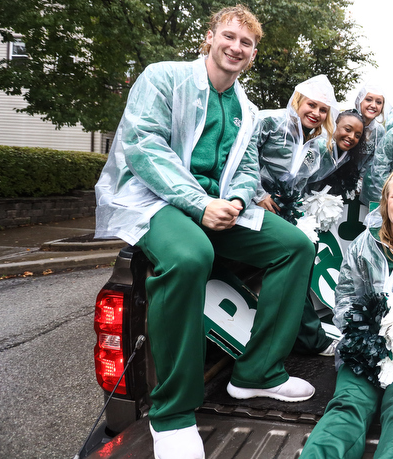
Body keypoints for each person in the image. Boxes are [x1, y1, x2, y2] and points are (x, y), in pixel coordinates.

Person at [94, 6, 316, 458]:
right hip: (156, 199)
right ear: (210, 37)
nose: (236, 47)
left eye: (247, 43)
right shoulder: (163, 77)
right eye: (229, 37)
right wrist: (199, 204)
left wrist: (234, 201)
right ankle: (172, 415)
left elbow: (247, 167)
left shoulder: (247, 109)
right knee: (192, 255)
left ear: (253, 55)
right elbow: (144, 145)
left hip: (218, 207)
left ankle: (256, 373)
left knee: (296, 245)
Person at [299, 161, 393, 459]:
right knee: (348, 404)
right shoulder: (363, 245)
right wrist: (366, 339)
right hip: (366, 347)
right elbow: (345, 298)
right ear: (385, 201)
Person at [252, 74, 339, 220]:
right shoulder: (270, 121)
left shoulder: (316, 146)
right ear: (298, 101)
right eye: (311, 105)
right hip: (250, 200)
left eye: (323, 110)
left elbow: (298, 185)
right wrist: (259, 194)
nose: (316, 113)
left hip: (277, 209)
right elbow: (245, 159)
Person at [307, 109, 366, 199]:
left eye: (357, 136)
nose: (352, 137)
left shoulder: (348, 157)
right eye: (348, 129)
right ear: (334, 125)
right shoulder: (319, 147)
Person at [353, 81, 387, 205]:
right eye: (368, 100)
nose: (373, 105)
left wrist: (361, 178)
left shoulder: (379, 131)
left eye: (378, 102)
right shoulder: (347, 121)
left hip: (362, 183)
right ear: (359, 101)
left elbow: (374, 158)